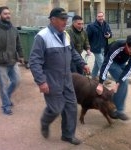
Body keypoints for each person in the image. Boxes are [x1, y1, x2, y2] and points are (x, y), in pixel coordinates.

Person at [29, 7, 90, 145]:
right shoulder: (42, 36)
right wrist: (41, 81)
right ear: (53, 20)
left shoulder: (66, 35)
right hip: (51, 79)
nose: (65, 22)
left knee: (71, 106)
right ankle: (45, 121)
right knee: (56, 108)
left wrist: (82, 63)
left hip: (66, 78)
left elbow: (73, 52)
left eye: (66, 19)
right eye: (63, 19)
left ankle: (68, 135)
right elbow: (34, 61)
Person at [96, 34, 131, 120]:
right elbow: (106, 64)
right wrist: (100, 83)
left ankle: (109, 104)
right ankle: (118, 111)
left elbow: (129, 69)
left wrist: (118, 83)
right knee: (124, 82)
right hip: (111, 62)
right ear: (126, 45)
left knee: (122, 81)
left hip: (121, 62)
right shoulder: (117, 47)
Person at [86, 12, 112, 83]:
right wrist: (88, 47)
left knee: (97, 64)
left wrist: (109, 35)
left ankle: (93, 77)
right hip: (95, 48)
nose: (100, 18)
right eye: (99, 16)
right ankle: (104, 79)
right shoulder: (91, 26)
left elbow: (110, 33)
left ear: (104, 17)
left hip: (104, 47)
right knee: (102, 62)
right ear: (96, 17)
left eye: (101, 16)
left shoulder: (106, 25)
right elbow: (87, 37)